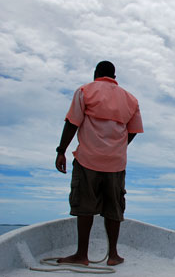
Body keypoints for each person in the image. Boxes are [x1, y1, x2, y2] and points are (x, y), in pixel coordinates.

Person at [55, 61, 143, 266]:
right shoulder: (131, 99)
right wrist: (118, 147)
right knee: (114, 207)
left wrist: (61, 151)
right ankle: (113, 255)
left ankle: (81, 255)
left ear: (96, 74)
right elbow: (132, 131)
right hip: (116, 163)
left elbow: (72, 122)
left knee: (84, 206)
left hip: (87, 160)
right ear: (114, 76)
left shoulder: (85, 91)